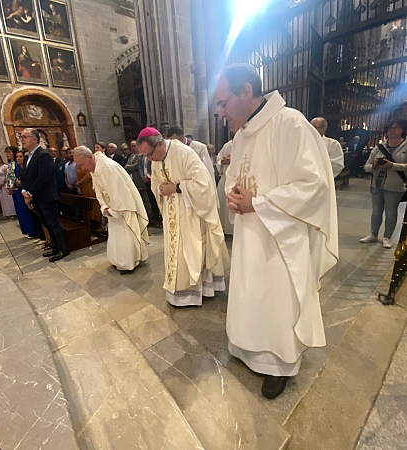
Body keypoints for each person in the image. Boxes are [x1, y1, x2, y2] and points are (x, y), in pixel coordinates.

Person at [217, 63, 338, 399]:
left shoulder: (291, 124)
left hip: (281, 235)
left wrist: (260, 203)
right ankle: (246, 348)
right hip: (248, 231)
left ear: (246, 92)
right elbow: (235, 177)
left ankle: (279, 365)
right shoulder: (241, 136)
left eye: (223, 102)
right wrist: (234, 196)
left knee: (275, 296)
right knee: (250, 290)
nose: (221, 112)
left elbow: (314, 186)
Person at [136, 127, 229, 306]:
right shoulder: (157, 159)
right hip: (172, 214)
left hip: (191, 212)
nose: (149, 160)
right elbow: (156, 183)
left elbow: (204, 184)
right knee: (175, 251)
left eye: (149, 154)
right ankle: (179, 290)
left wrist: (177, 188)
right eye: (145, 156)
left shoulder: (184, 153)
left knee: (191, 250)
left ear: (160, 143)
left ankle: (197, 290)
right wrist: (160, 189)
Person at [73, 146, 149, 274]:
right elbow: (98, 190)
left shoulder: (108, 167)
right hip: (111, 209)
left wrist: (114, 210)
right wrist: (104, 207)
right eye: (79, 166)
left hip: (123, 207)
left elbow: (120, 191)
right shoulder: (95, 168)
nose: (82, 169)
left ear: (90, 157)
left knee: (126, 234)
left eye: (82, 164)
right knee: (116, 235)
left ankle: (130, 262)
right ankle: (119, 260)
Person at [20, 128, 69, 262]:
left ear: (34, 139)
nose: (22, 139)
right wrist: (23, 190)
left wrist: (30, 192)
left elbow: (44, 177)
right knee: (46, 223)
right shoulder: (27, 157)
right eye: (21, 137)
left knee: (53, 223)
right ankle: (55, 247)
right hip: (36, 197)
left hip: (47, 196)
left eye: (25, 137)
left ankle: (63, 249)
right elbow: (24, 176)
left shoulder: (43, 155)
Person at [360, 118, 407, 249]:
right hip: (377, 184)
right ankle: (373, 234)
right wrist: (374, 165)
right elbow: (366, 167)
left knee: (391, 212)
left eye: (395, 128)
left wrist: (392, 165)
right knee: (376, 211)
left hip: (395, 185)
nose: (392, 130)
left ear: (402, 129)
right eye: (390, 128)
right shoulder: (379, 147)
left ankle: (387, 237)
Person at [9, 150, 37, 238]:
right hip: (21, 191)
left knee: (31, 213)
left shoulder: (26, 168)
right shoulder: (17, 167)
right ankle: (28, 231)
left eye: (20, 157)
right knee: (22, 211)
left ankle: (34, 232)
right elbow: (16, 179)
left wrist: (19, 183)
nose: (18, 159)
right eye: (17, 157)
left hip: (29, 192)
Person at [216, 137, 234, 235]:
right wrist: (223, 161)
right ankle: (224, 229)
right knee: (223, 203)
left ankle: (234, 230)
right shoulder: (227, 145)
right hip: (225, 178)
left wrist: (232, 160)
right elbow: (219, 158)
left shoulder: (245, 142)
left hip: (236, 180)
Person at [0, 153, 16, 218]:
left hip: (4, 183)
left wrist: (2, 184)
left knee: (8, 198)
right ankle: (7, 212)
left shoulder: (4, 166)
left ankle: (12, 212)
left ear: (0, 159)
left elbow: (7, 176)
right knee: (3, 198)